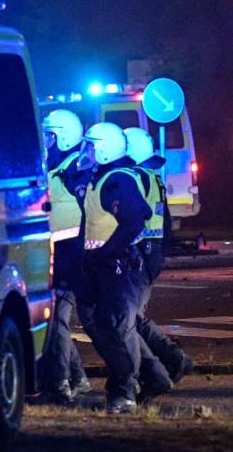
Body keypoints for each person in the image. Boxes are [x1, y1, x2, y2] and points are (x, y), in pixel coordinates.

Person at [76, 122, 173, 414]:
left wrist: (107, 251)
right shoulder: (104, 178)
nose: (87, 152)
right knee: (108, 324)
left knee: (117, 327)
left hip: (121, 268)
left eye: (92, 147)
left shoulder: (118, 180)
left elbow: (136, 219)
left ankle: (125, 393)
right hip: (105, 268)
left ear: (104, 150)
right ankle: (152, 378)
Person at [123, 127, 194, 387]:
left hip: (140, 254)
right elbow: (164, 223)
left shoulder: (137, 179)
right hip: (150, 254)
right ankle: (170, 360)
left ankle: (170, 361)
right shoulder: (152, 178)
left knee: (128, 319)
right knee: (130, 318)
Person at [33, 109, 93, 405]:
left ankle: (58, 388)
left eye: (49, 135)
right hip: (56, 257)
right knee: (56, 323)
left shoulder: (75, 170)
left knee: (55, 323)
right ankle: (78, 378)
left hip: (70, 258)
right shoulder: (58, 166)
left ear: (62, 137)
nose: (44, 140)